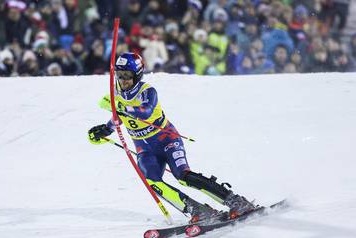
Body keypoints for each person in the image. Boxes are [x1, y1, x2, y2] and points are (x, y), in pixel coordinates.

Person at [88, 52, 256, 224]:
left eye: (128, 76)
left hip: (166, 140)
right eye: (120, 75)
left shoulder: (147, 91)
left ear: (137, 75)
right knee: (153, 182)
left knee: (182, 176)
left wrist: (120, 107)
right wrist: (105, 130)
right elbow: (118, 118)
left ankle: (236, 201)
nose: (123, 80)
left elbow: (144, 112)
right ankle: (197, 209)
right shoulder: (116, 94)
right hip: (144, 149)